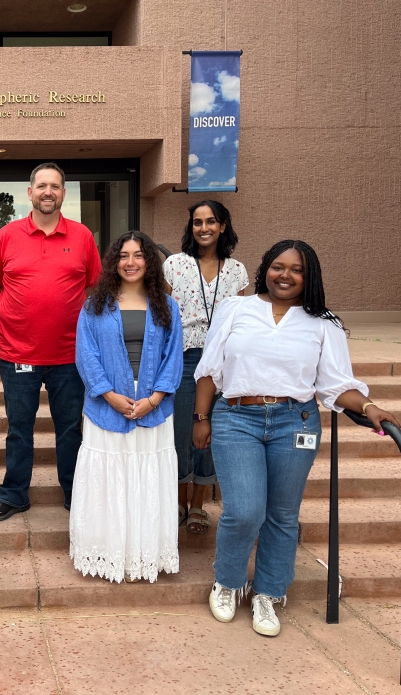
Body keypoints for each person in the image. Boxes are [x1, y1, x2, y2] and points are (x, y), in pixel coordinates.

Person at [193, 240, 401, 637]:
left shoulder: (324, 323)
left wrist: (369, 406)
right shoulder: (235, 309)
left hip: (296, 420)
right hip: (237, 417)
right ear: (265, 269)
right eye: (277, 266)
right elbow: (209, 369)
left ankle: (269, 593)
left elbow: (336, 385)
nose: (285, 275)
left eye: (296, 269)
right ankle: (229, 581)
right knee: (245, 510)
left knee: (283, 514)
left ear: (309, 277)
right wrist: (201, 417)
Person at [0, 162, 102, 521]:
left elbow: (95, 289)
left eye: (55, 186)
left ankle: (74, 492)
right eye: (42, 186)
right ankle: (15, 494)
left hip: (70, 354)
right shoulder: (7, 235)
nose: (48, 192)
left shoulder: (82, 236)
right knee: (19, 429)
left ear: (64, 193)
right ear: (30, 192)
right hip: (18, 352)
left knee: (70, 429)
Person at [71, 232, 183, 583]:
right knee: (109, 482)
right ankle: (107, 554)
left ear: (149, 261)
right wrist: (109, 395)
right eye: (123, 255)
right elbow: (84, 355)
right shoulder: (94, 305)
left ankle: (144, 555)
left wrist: (154, 400)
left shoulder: (167, 305)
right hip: (107, 407)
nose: (130, 262)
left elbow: (173, 357)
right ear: (113, 262)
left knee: (147, 480)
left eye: (138, 255)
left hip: (154, 407)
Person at [164, 200, 249, 535]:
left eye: (211, 221)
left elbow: (242, 320)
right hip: (185, 356)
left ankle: (199, 502)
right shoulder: (175, 265)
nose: (203, 228)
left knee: (211, 432)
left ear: (223, 226)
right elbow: (165, 317)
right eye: (197, 222)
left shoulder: (237, 270)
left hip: (224, 361)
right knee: (182, 431)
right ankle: (178, 501)